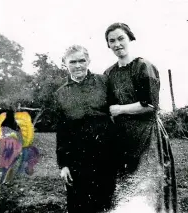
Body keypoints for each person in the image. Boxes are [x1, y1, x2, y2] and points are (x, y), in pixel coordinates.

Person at [104, 23, 178, 212]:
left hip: (148, 137)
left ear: (129, 39)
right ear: (108, 45)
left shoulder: (143, 66)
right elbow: (107, 107)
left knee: (150, 186)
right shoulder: (109, 73)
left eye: (121, 38)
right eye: (112, 41)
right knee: (126, 187)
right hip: (123, 138)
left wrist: (120, 110)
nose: (117, 44)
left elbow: (150, 106)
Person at [54, 45, 117, 213]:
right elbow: (62, 131)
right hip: (77, 160)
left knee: (106, 204)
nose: (78, 65)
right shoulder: (60, 93)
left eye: (82, 60)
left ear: (88, 61)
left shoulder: (104, 82)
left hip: (107, 156)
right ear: (65, 63)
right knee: (79, 206)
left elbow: (118, 113)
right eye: (72, 62)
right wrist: (63, 165)